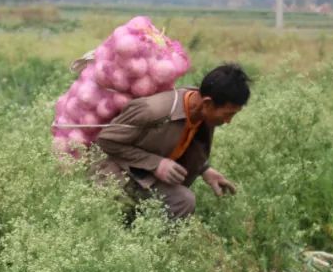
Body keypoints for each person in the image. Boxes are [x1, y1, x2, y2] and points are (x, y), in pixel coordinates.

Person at [95, 63, 250, 219]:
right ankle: (154, 242)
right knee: (183, 201)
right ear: (207, 103)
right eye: (228, 114)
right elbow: (106, 140)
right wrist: (156, 164)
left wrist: (205, 170)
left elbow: (182, 141)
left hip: (143, 174)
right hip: (116, 172)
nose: (228, 120)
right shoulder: (154, 110)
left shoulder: (203, 114)